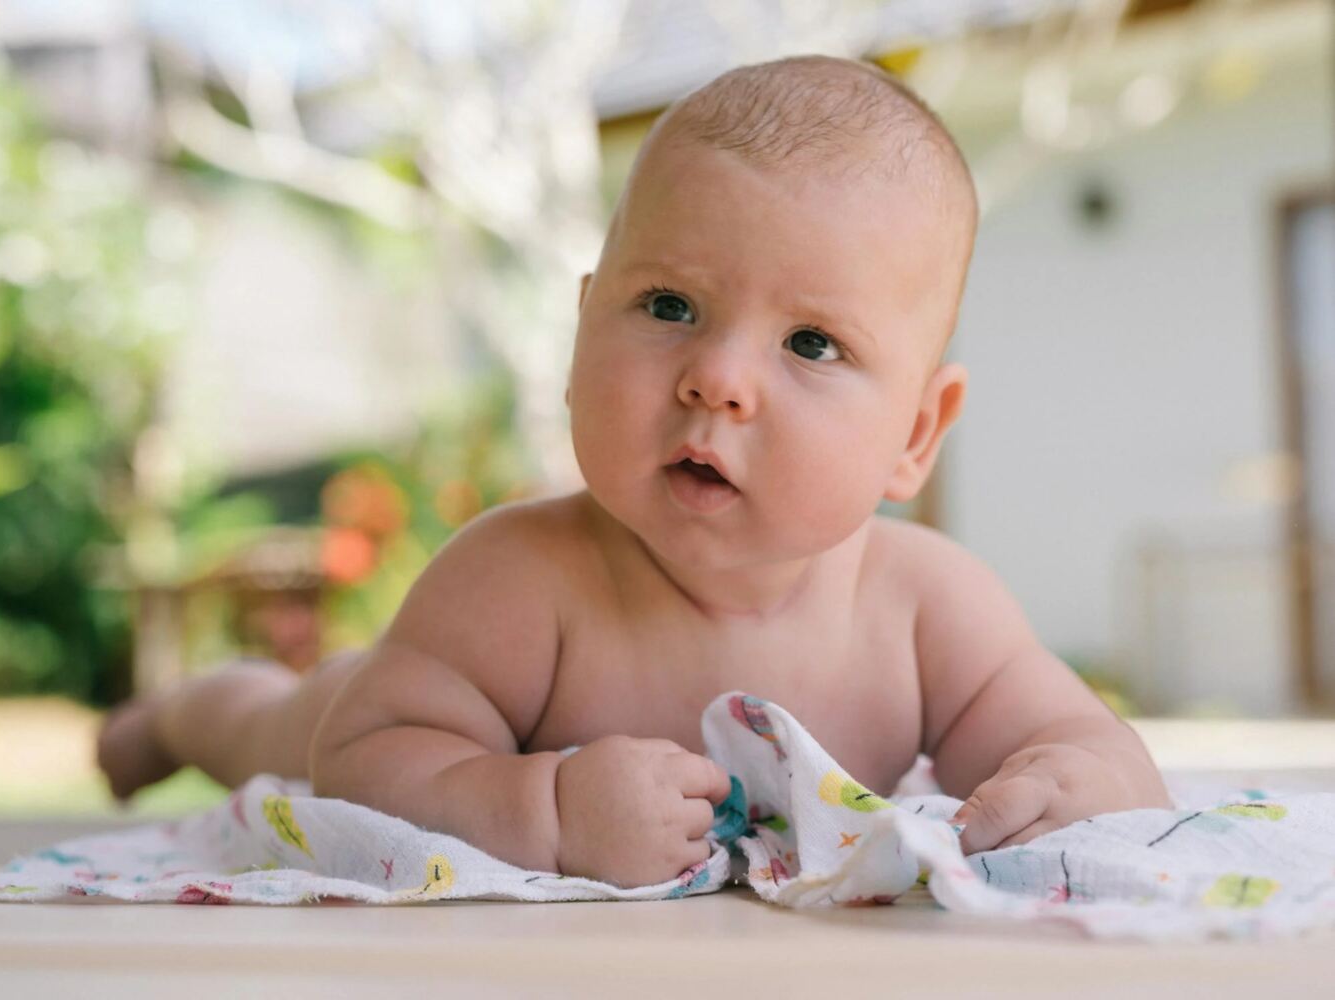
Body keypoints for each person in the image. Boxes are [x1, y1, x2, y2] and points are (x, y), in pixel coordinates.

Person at [98, 55, 1171, 890]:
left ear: (916, 433)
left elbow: (1078, 738)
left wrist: (1085, 783)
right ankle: (187, 714)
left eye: (810, 343)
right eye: (669, 307)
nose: (717, 380)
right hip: (340, 711)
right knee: (271, 723)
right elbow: (362, 760)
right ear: (581, 329)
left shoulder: (928, 609)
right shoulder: (519, 578)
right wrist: (547, 807)